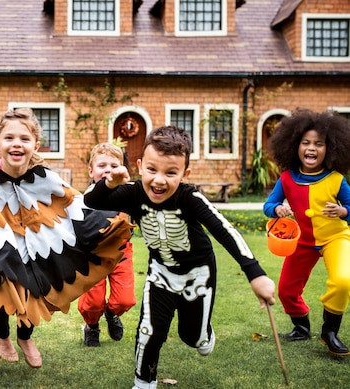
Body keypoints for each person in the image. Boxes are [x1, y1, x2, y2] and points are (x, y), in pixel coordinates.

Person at [0, 108, 132, 368]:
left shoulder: (45, 179)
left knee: (33, 291)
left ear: (35, 145)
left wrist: (111, 205)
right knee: (0, 289)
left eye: (24, 139)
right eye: (9, 138)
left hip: (34, 244)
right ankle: (3, 336)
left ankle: (25, 338)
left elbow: (76, 204)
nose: (17, 143)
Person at [84, 125, 276, 389]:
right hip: (160, 273)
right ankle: (143, 383)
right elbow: (91, 202)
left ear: (185, 174)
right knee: (149, 332)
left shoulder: (190, 198)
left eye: (171, 172)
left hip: (198, 274)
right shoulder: (133, 193)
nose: (159, 180)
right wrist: (109, 183)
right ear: (140, 166)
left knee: (192, 337)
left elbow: (224, 230)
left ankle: (203, 334)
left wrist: (255, 273)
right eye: (152, 170)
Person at [263, 108, 350, 356]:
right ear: (295, 146)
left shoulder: (337, 179)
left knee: (343, 280)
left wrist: (344, 212)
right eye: (306, 143)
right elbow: (268, 205)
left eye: (319, 144)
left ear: (330, 148)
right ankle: (301, 327)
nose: (311, 148)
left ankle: (329, 332)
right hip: (302, 241)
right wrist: (278, 208)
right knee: (286, 290)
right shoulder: (287, 178)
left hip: (335, 238)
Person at [79, 142, 136, 347]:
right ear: (91, 170)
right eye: (102, 165)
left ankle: (112, 314)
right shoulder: (86, 198)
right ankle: (92, 326)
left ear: (122, 169)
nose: (108, 171)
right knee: (93, 302)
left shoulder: (129, 194)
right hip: (93, 254)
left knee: (125, 299)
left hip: (121, 252)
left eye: (114, 166)